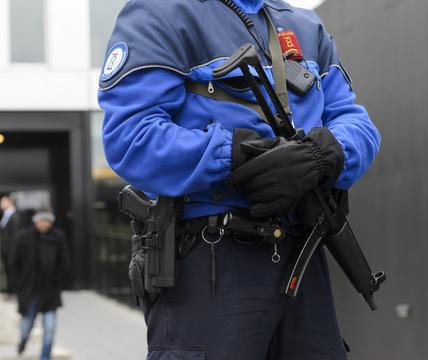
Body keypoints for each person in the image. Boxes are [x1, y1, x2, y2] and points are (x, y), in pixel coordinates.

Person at [99, 0, 381, 359]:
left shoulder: (306, 27)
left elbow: (356, 123)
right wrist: (235, 155)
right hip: (211, 259)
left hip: (303, 253)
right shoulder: (161, 13)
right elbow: (131, 137)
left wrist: (321, 155)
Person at [12, 210, 69, 359]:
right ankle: (22, 342)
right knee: (26, 326)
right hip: (29, 290)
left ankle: (45, 356)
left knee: (50, 328)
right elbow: (13, 263)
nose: (44, 224)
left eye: (47, 221)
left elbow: (64, 262)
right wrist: (18, 285)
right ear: (35, 221)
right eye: (41, 220)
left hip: (50, 290)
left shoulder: (58, 237)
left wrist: (58, 281)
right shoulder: (22, 237)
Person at [0, 194, 23, 294]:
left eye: (2, 201)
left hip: (12, 249)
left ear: (9, 202)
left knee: (13, 271)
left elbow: (15, 235)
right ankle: (11, 290)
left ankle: (14, 291)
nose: (0, 204)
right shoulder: (5, 216)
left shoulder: (15, 216)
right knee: (8, 270)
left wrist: (14, 249)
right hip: (6, 249)